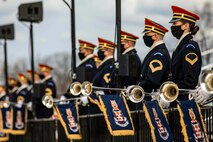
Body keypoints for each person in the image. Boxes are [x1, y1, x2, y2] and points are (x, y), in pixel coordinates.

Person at [169, 6, 202, 103]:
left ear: (186, 25)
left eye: (175, 23)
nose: (172, 27)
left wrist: (172, 90)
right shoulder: (182, 46)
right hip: (178, 99)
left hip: (184, 100)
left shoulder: (189, 47)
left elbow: (190, 80)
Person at [138, 18, 171, 108]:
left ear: (155, 36)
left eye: (147, 34)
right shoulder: (156, 52)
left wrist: (137, 87)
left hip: (151, 100)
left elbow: (152, 79)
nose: (145, 36)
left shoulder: (158, 54)